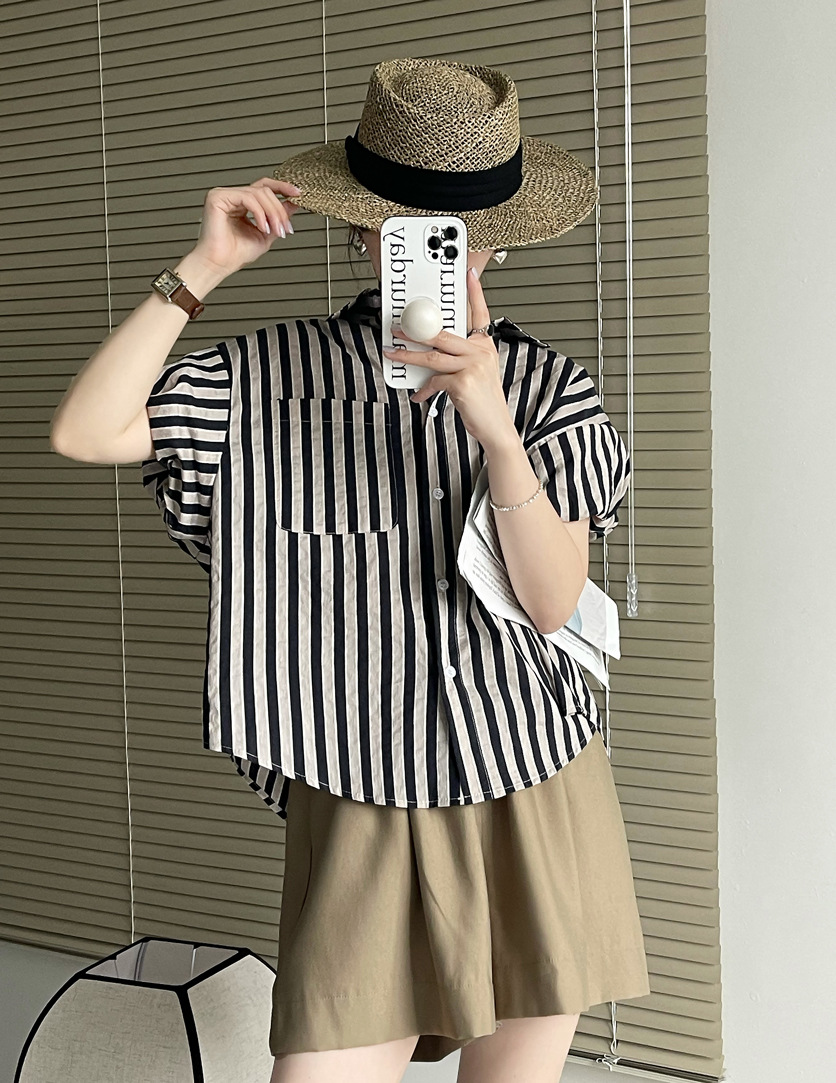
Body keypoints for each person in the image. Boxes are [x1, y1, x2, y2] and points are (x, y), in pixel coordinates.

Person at [50, 57, 650, 1083]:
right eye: (405, 226)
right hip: (356, 778)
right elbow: (85, 432)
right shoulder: (262, 377)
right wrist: (201, 269)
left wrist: (496, 430)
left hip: (533, 775)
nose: (439, 251)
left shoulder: (550, 390)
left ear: (497, 240)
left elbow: (551, 604)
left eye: (462, 232)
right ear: (365, 233)